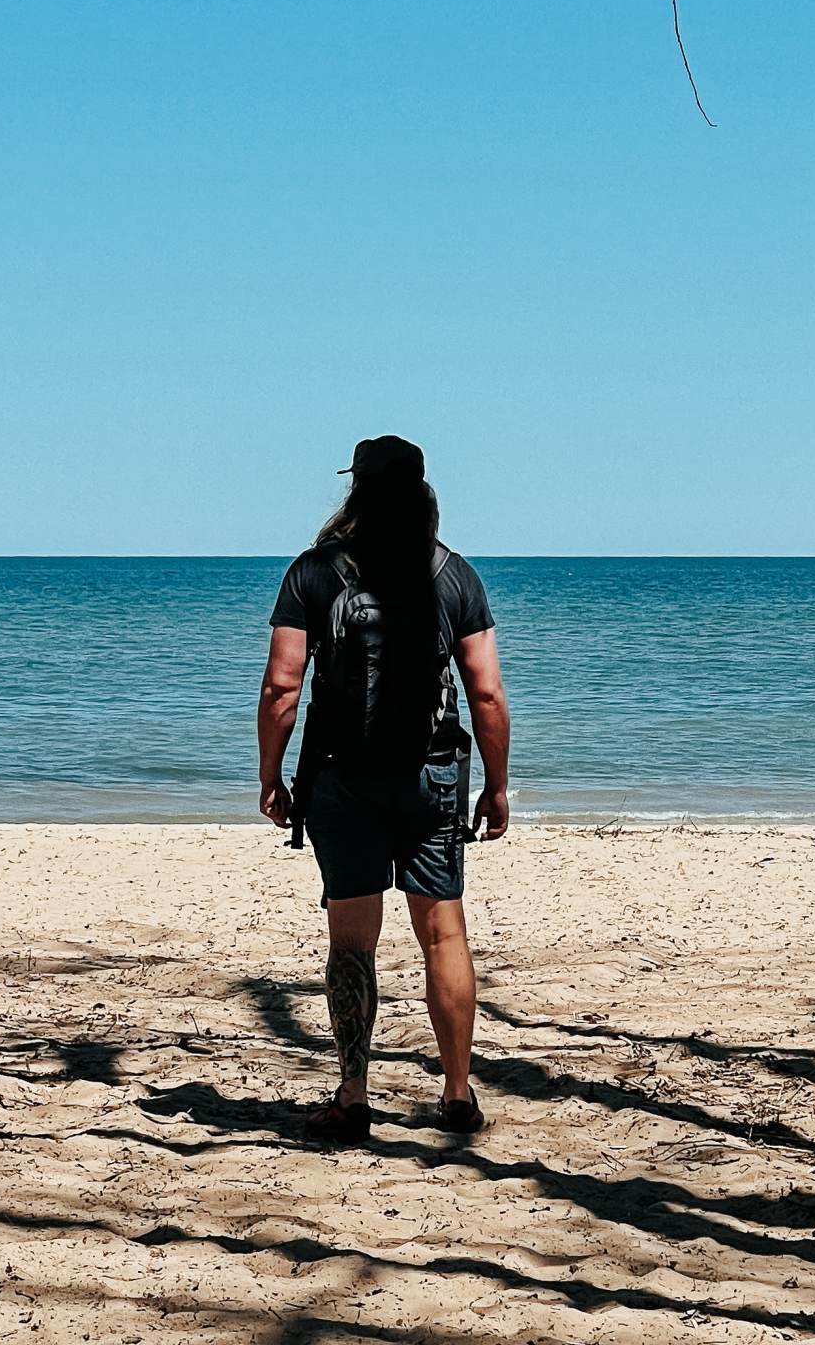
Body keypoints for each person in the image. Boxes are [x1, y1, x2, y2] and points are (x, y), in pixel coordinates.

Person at [257, 435, 511, 1144]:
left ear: (356, 492)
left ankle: (354, 1095)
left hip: (341, 777)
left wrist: (270, 773)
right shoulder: (453, 574)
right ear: (424, 492)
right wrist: (495, 787)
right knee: (443, 933)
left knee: (352, 942)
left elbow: (283, 686)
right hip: (432, 776)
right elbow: (485, 693)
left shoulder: (313, 573)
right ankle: (457, 1096)